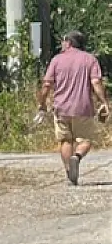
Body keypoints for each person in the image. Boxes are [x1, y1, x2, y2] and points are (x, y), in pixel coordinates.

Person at [37, 30, 110, 186]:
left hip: (61, 108)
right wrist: (104, 102)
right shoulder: (90, 60)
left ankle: (70, 172)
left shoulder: (57, 60)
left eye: (64, 41)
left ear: (68, 42)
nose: (62, 44)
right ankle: (76, 157)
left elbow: (46, 84)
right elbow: (96, 83)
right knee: (86, 140)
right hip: (84, 108)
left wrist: (42, 104)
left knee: (65, 140)